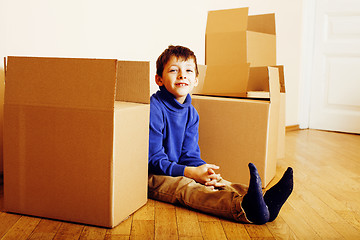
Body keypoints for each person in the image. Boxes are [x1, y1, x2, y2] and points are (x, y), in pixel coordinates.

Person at [148, 45, 293, 224]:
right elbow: (153, 160)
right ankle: (244, 208)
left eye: (188, 70)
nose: (182, 75)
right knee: (186, 187)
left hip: (179, 169)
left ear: (196, 80)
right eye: (173, 70)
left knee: (217, 181)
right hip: (153, 175)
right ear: (159, 79)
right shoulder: (154, 108)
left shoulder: (191, 113)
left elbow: (190, 155)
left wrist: (204, 171)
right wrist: (190, 173)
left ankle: (263, 200)